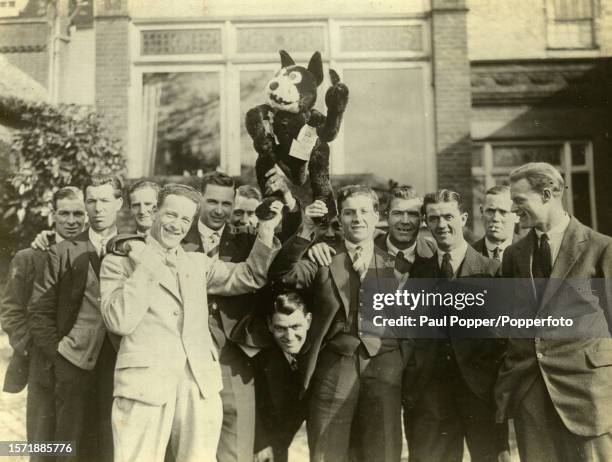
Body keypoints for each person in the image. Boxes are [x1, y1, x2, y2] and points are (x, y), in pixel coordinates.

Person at [99, 183, 282, 462]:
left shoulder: (197, 263)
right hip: (145, 385)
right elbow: (119, 321)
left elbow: (250, 276)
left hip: (198, 384)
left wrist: (267, 230)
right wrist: (147, 262)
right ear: (154, 212)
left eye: (186, 219)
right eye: (171, 215)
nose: (177, 225)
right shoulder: (119, 262)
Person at [270, 185, 407, 462]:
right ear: (340, 219)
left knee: (384, 451)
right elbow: (281, 274)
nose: (357, 218)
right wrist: (306, 234)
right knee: (326, 450)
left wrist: (400, 361)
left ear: (377, 216)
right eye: (349, 212)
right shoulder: (323, 256)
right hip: (334, 365)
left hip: (384, 365)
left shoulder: (398, 262)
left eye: (364, 211)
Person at [181, 170, 300, 462]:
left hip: (232, 354)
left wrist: (289, 202)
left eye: (226, 204)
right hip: (183, 353)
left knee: (237, 446)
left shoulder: (245, 241)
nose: (219, 210)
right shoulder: (180, 238)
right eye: (212, 202)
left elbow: (285, 237)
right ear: (199, 201)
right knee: (187, 442)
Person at [495, 162, 612, 461]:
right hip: (530, 394)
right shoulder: (514, 255)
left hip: (587, 396)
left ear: (547, 194)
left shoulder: (600, 249)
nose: (513, 209)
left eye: (519, 200)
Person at [403, 189, 507, 462]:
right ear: (426, 222)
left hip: (480, 393)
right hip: (431, 394)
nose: (442, 225)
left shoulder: (493, 271)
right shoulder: (417, 273)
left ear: (462, 218)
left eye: (448, 216)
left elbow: (504, 339)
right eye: (434, 218)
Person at [28, 175, 124, 462]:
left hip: (119, 361)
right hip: (73, 363)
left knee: (111, 442)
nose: (98, 208)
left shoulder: (134, 246)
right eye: (91, 201)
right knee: (69, 443)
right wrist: (59, 355)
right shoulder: (61, 251)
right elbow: (39, 312)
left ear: (119, 203)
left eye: (105, 200)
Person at [0, 187, 86, 457]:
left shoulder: (93, 255)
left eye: (78, 214)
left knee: (77, 444)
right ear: (53, 215)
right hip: (42, 365)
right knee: (42, 442)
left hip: (82, 364)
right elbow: (11, 311)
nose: (71, 220)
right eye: (64, 213)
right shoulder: (29, 257)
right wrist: (32, 348)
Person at [253, 291, 311, 462]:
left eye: (295, 327)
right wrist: (262, 443)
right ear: (270, 325)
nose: (289, 337)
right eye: (280, 328)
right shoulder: (262, 362)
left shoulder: (318, 357)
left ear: (308, 321)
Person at [472, 185, 518, 261]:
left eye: (503, 212)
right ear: (481, 212)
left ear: (517, 215)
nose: (496, 218)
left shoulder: (530, 253)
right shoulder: (468, 255)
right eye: (490, 211)